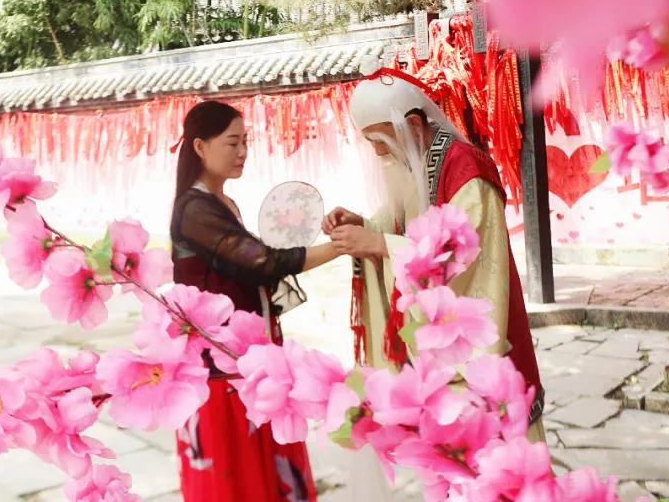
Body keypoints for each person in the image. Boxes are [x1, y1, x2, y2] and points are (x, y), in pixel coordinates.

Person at [325, 68, 545, 440]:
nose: (377, 151)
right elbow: (404, 228)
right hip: (436, 359)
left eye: (380, 139)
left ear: (412, 125)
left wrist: (378, 245)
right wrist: (364, 224)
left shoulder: (465, 172)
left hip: (477, 352)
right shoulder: (416, 162)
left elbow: (466, 265)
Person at [170, 100, 341, 502]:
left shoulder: (222, 204)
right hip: (219, 375)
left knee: (268, 473)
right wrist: (338, 249)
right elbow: (262, 262)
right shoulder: (194, 209)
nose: (243, 151)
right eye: (233, 142)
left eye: (245, 141)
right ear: (199, 147)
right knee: (237, 480)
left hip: (250, 364)